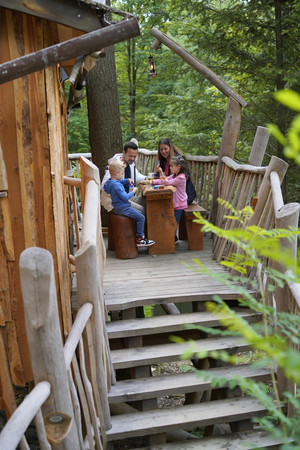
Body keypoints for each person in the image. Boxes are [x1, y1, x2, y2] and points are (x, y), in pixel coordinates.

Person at [103, 160, 155, 248]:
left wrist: (127, 180)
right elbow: (125, 197)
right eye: (122, 173)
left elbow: (117, 182)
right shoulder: (117, 186)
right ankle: (140, 239)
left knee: (139, 214)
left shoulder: (109, 183)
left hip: (117, 207)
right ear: (117, 172)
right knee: (141, 217)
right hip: (123, 208)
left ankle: (138, 235)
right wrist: (134, 191)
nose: (123, 175)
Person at [101, 140, 147, 214]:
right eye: (130, 156)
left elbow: (137, 175)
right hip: (116, 202)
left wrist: (148, 178)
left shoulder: (130, 164)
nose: (132, 159)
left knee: (147, 203)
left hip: (128, 197)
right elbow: (104, 186)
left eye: (134, 156)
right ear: (124, 152)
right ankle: (140, 225)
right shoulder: (114, 166)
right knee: (141, 210)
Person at [152, 155, 188, 244]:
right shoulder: (174, 175)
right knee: (171, 219)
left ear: (178, 167)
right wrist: (152, 182)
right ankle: (170, 237)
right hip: (174, 202)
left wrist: (160, 172)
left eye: (172, 166)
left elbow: (166, 182)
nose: (170, 168)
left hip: (179, 204)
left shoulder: (181, 178)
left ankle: (172, 239)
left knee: (173, 222)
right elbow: (164, 180)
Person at [156, 138, 197, 205]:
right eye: (161, 149)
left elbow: (186, 177)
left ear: (170, 148)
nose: (163, 151)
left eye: (165, 149)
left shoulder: (178, 159)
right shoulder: (163, 160)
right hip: (171, 193)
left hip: (183, 197)